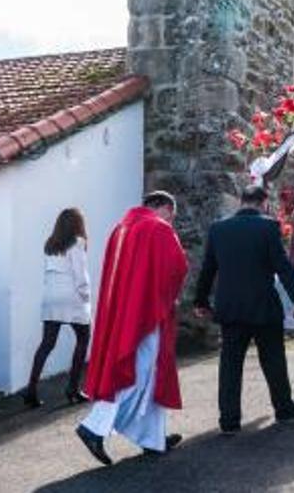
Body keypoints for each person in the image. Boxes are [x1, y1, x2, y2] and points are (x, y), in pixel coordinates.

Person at [76, 191, 189, 466]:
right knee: (140, 372)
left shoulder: (122, 228)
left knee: (147, 373)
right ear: (163, 207)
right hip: (147, 314)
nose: (170, 221)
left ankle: (153, 438)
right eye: (171, 214)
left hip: (124, 313)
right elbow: (177, 266)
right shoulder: (158, 228)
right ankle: (94, 427)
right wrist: (171, 296)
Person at [194, 186, 294, 436]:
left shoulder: (219, 228)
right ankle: (283, 407)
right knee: (273, 360)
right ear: (263, 202)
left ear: (241, 201)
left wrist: (200, 302)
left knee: (230, 365)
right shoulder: (268, 227)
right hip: (263, 306)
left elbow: (208, 269)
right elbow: (284, 268)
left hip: (231, 307)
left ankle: (229, 419)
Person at [24, 208, 93, 408]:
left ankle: (31, 389)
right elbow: (80, 274)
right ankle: (72, 389)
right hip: (72, 296)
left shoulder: (50, 244)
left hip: (51, 296)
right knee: (82, 340)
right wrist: (86, 296)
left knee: (47, 343)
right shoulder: (78, 243)